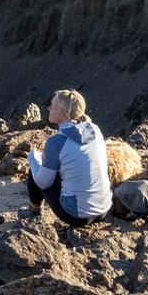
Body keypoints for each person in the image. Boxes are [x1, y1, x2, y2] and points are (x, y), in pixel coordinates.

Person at [25, 89, 111, 227]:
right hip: (104, 208)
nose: (49, 108)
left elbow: (43, 182)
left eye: (53, 106)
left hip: (77, 216)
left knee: (36, 166)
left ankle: (35, 212)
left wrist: (32, 158)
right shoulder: (94, 129)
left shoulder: (57, 141)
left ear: (64, 116)